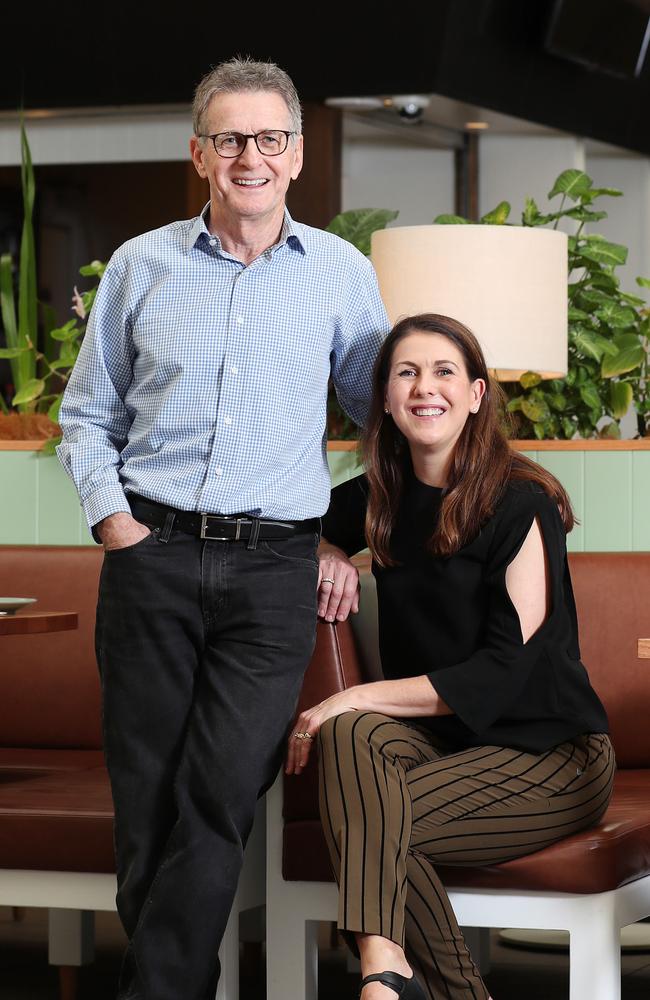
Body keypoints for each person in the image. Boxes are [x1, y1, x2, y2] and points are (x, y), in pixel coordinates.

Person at [57, 57, 388, 1000]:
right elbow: (87, 414)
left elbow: (387, 426)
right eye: (231, 138)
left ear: (295, 159)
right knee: (149, 807)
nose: (251, 156)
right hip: (150, 558)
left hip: (272, 573)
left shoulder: (338, 273)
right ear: (200, 153)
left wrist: (341, 538)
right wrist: (115, 524)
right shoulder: (140, 263)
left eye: (270, 139)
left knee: (219, 793)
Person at [286, 313, 614, 1000]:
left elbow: (505, 669)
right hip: (447, 748)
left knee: (373, 814)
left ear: (475, 394)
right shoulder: (382, 496)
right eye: (406, 372)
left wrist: (354, 693)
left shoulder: (523, 504)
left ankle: (395, 979)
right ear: (384, 397)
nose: (423, 388)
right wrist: (327, 550)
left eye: (442, 372)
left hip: (550, 757)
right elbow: (295, 530)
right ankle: (388, 969)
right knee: (354, 741)